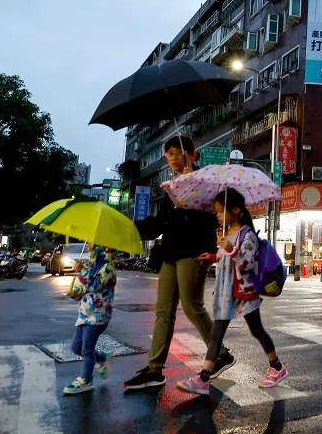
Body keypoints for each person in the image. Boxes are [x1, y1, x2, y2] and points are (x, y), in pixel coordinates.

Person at [124, 135, 235, 390]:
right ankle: (155, 369)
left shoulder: (206, 181)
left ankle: (220, 354)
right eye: (168, 154)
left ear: (191, 154)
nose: (172, 157)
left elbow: (213, 218)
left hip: (194, 252)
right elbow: (160, 223)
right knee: (163, 311)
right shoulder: (173, 187)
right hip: (171, 254)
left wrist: (192, 194)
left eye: (177, 152)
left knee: (191, 304)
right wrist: (127, 230)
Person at [176, 188, 288, 395]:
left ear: (236, 210)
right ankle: (204, 378)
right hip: (226, 292)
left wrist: (231, 248)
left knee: (257, 331)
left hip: (244, 293)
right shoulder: (226, 234)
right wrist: (211, 256)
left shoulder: (248, 235)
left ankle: (277, 367)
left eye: (220, 211)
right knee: (216, 334)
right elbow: (225, 259)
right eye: (216, 212)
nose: (217, 215)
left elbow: (245, 263)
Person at [63, 245, 117, 395]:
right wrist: (76, 293)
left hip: (98, 315)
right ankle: (101, 358)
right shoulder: (90, 265)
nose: (90, 251)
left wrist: (81, 271)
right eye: (90, 248)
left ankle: (86, 380)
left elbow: (95, 285)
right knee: (76, 347)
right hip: (84, 314)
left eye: (93, 248)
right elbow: (84, 288)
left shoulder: (108, 267)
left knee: (87, 348)